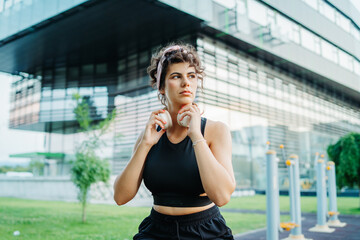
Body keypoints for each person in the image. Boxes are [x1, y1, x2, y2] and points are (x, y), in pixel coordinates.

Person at [113, 43, 236, 239]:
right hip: (156, 230)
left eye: (192, 76)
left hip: (205, 232)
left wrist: (196, 135)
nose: (186, 83)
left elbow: (222, 197)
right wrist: (145, 144)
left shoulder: (216, 131)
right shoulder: (150, 134)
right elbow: (120, 197)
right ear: (161, 87)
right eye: (176, 76)